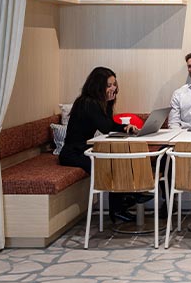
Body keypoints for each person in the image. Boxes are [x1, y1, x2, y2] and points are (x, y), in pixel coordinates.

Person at [59, 66, 138, 222]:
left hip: (84, 150)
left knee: (115, 161)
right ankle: (124, 202)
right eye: (109, 85)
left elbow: (108, 124)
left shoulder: (98, 103)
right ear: (98, 86)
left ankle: (123, 202)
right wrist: (121, 125)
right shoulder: (86, 102)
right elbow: (106, 128)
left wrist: (126, 128)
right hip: (72, 153)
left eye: (114, 84)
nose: (113, 88)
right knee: (109, 166)